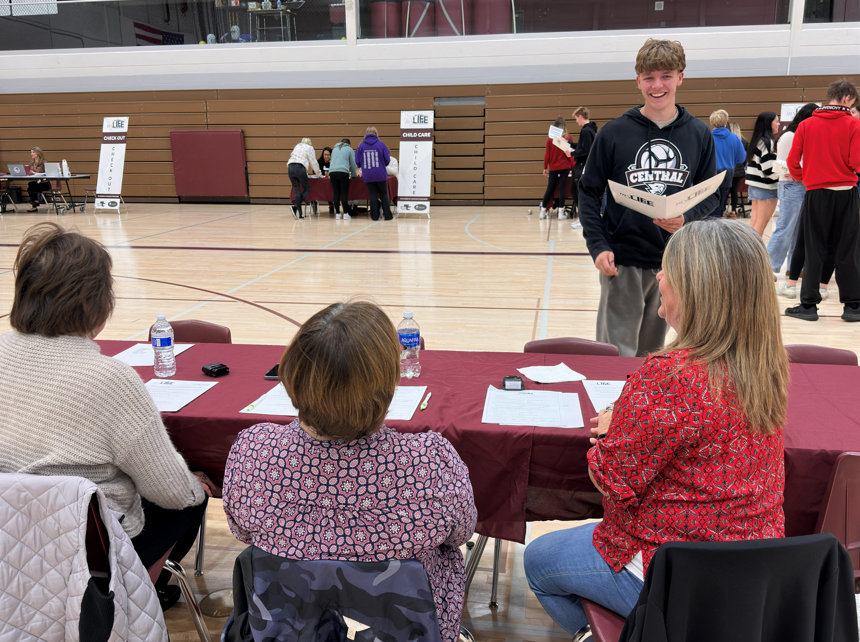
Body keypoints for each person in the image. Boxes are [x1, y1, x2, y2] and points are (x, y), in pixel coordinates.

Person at [524, 219, 788, 641]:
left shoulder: (669, 376)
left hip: (681, 573)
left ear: (699, 291)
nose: (659, 276)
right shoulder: (764, 363)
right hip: (756, 569)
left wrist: (612, 433)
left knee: (538, 561)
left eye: (669, 270)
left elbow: (613, 482)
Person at [222, 301, 477, 642]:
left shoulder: (253, 451)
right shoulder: (430, 462)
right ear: (388, 385)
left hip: (288, 630)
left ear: (292, 375)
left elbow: (242, 531)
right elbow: (460, 534)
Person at [0, 222, 213, 611]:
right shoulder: (110, 379)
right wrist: (194, 485)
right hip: (88, 550)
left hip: (10, 542)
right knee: (191, 493)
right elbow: (171, 492)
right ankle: (136, 595)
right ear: (92, 303)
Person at [578, 38, 718, 358]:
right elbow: (587, 192)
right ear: (638, 81)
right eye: (649, 77)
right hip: (622, 260)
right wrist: (598, 246)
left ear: (680, 77)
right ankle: (611, 408)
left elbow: (713, 194)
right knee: (615, 352)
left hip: (674, 264)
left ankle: (640, 409)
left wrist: (688, 219)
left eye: (666, 76)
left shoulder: (698, 134)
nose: (658, 85)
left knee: (651, 355)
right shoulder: (614, 133)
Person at [786, 79, 860, 323]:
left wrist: (804, 177)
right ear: (848, 98)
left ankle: (808, 306)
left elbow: (792, 162)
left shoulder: (807, 125)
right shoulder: (853, 124)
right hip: (846, 192)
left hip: (816, 193)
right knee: (847, 250)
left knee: (813, 248)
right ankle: (852, 306)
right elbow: (856, 162)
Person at [768, 103, 818, 280]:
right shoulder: (789, 136)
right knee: (785, 227)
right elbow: (781, 165)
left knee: (799, 230)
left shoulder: (804, 134)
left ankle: (794, 267)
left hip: (802, 185)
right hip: (792, 185)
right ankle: (769, 267)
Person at [745, 111, 781, 236]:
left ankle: (747, 253)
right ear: (768, 124)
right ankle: (754, 254)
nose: (779, 124)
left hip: (755, 186)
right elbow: (769, 170)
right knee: (760, 225)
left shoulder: (757, 140)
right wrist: (782, 176)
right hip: (766, 187)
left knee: (754, 223)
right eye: (776, 121)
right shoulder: (769, 142)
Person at [709, 109, 746, 218]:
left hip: (710, 175)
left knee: (708, 206)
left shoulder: (707, 137)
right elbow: (741, 158)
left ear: (712, 123)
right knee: (720, 205)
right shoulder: (734, 138)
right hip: (727, 175)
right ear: (726, 123)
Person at [356, 127, 393, 221]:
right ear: (376, 133)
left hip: (368, 174)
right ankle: (388, 216)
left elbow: (357, 162)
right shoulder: (381, 144)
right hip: (380, 173)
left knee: (372, 194)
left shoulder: (361, 146)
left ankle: (374, 216)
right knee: (384, 194)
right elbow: (387, 160)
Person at [541, 117, 574, 220]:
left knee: (550, 188)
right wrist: (572, 166)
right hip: (565, 166)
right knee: (562, 188)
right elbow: (571, 154)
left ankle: (542, 211)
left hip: (554, 166)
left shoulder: (550, 139)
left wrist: (545, 167)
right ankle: (560, 213)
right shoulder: (568, 137)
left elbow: (547, 155)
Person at [570, 106, 598, 223]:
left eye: (576, 118)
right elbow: (582, 146)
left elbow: (586, 150)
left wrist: (571, 153)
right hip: (582, 165)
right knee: (574, 190)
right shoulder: (589, 129)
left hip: (582, 165)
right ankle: (582, 218)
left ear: (580, 116)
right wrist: (568, 143)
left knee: (578, 192)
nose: (576, 121)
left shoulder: (586, 131)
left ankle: (583, 219)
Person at [287, 137, 321, 219]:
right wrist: (319, 174)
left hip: (290, 167)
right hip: (300, 167)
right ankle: (295, 207)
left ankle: (300, 214)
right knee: (307, 189)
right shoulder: (310, 148)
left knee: (297, 191)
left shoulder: (297, 145)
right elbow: (313, 162)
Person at [329, 138, 358, 220]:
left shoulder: (334, 149)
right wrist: (353, 175)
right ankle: (345, 213)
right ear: (349, 144)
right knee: (344, 193)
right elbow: (353, 164)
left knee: (336, 193)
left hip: (332, 172)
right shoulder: (349, 149)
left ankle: (338, 213)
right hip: (343, 172)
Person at [728, 122, 749, 218]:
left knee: (725, 191)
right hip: (739, 170)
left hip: (728, 169)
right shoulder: (743, 141)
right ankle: (733, 211)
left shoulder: (728, 140)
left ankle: (723, 211)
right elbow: (745, 158)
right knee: (734, 191)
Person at [25, 147, 50, 213]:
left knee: (31, 187)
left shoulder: (44, 162)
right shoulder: (31, 162)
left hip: (45, 183)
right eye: (31, 152)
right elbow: (31, 172)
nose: (31, 154)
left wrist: (34, 173)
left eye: (33, 152)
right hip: (37, 182)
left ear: (38, 153)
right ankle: (35, 202)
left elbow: (47, 174)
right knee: (31, 185)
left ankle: (35, 204)